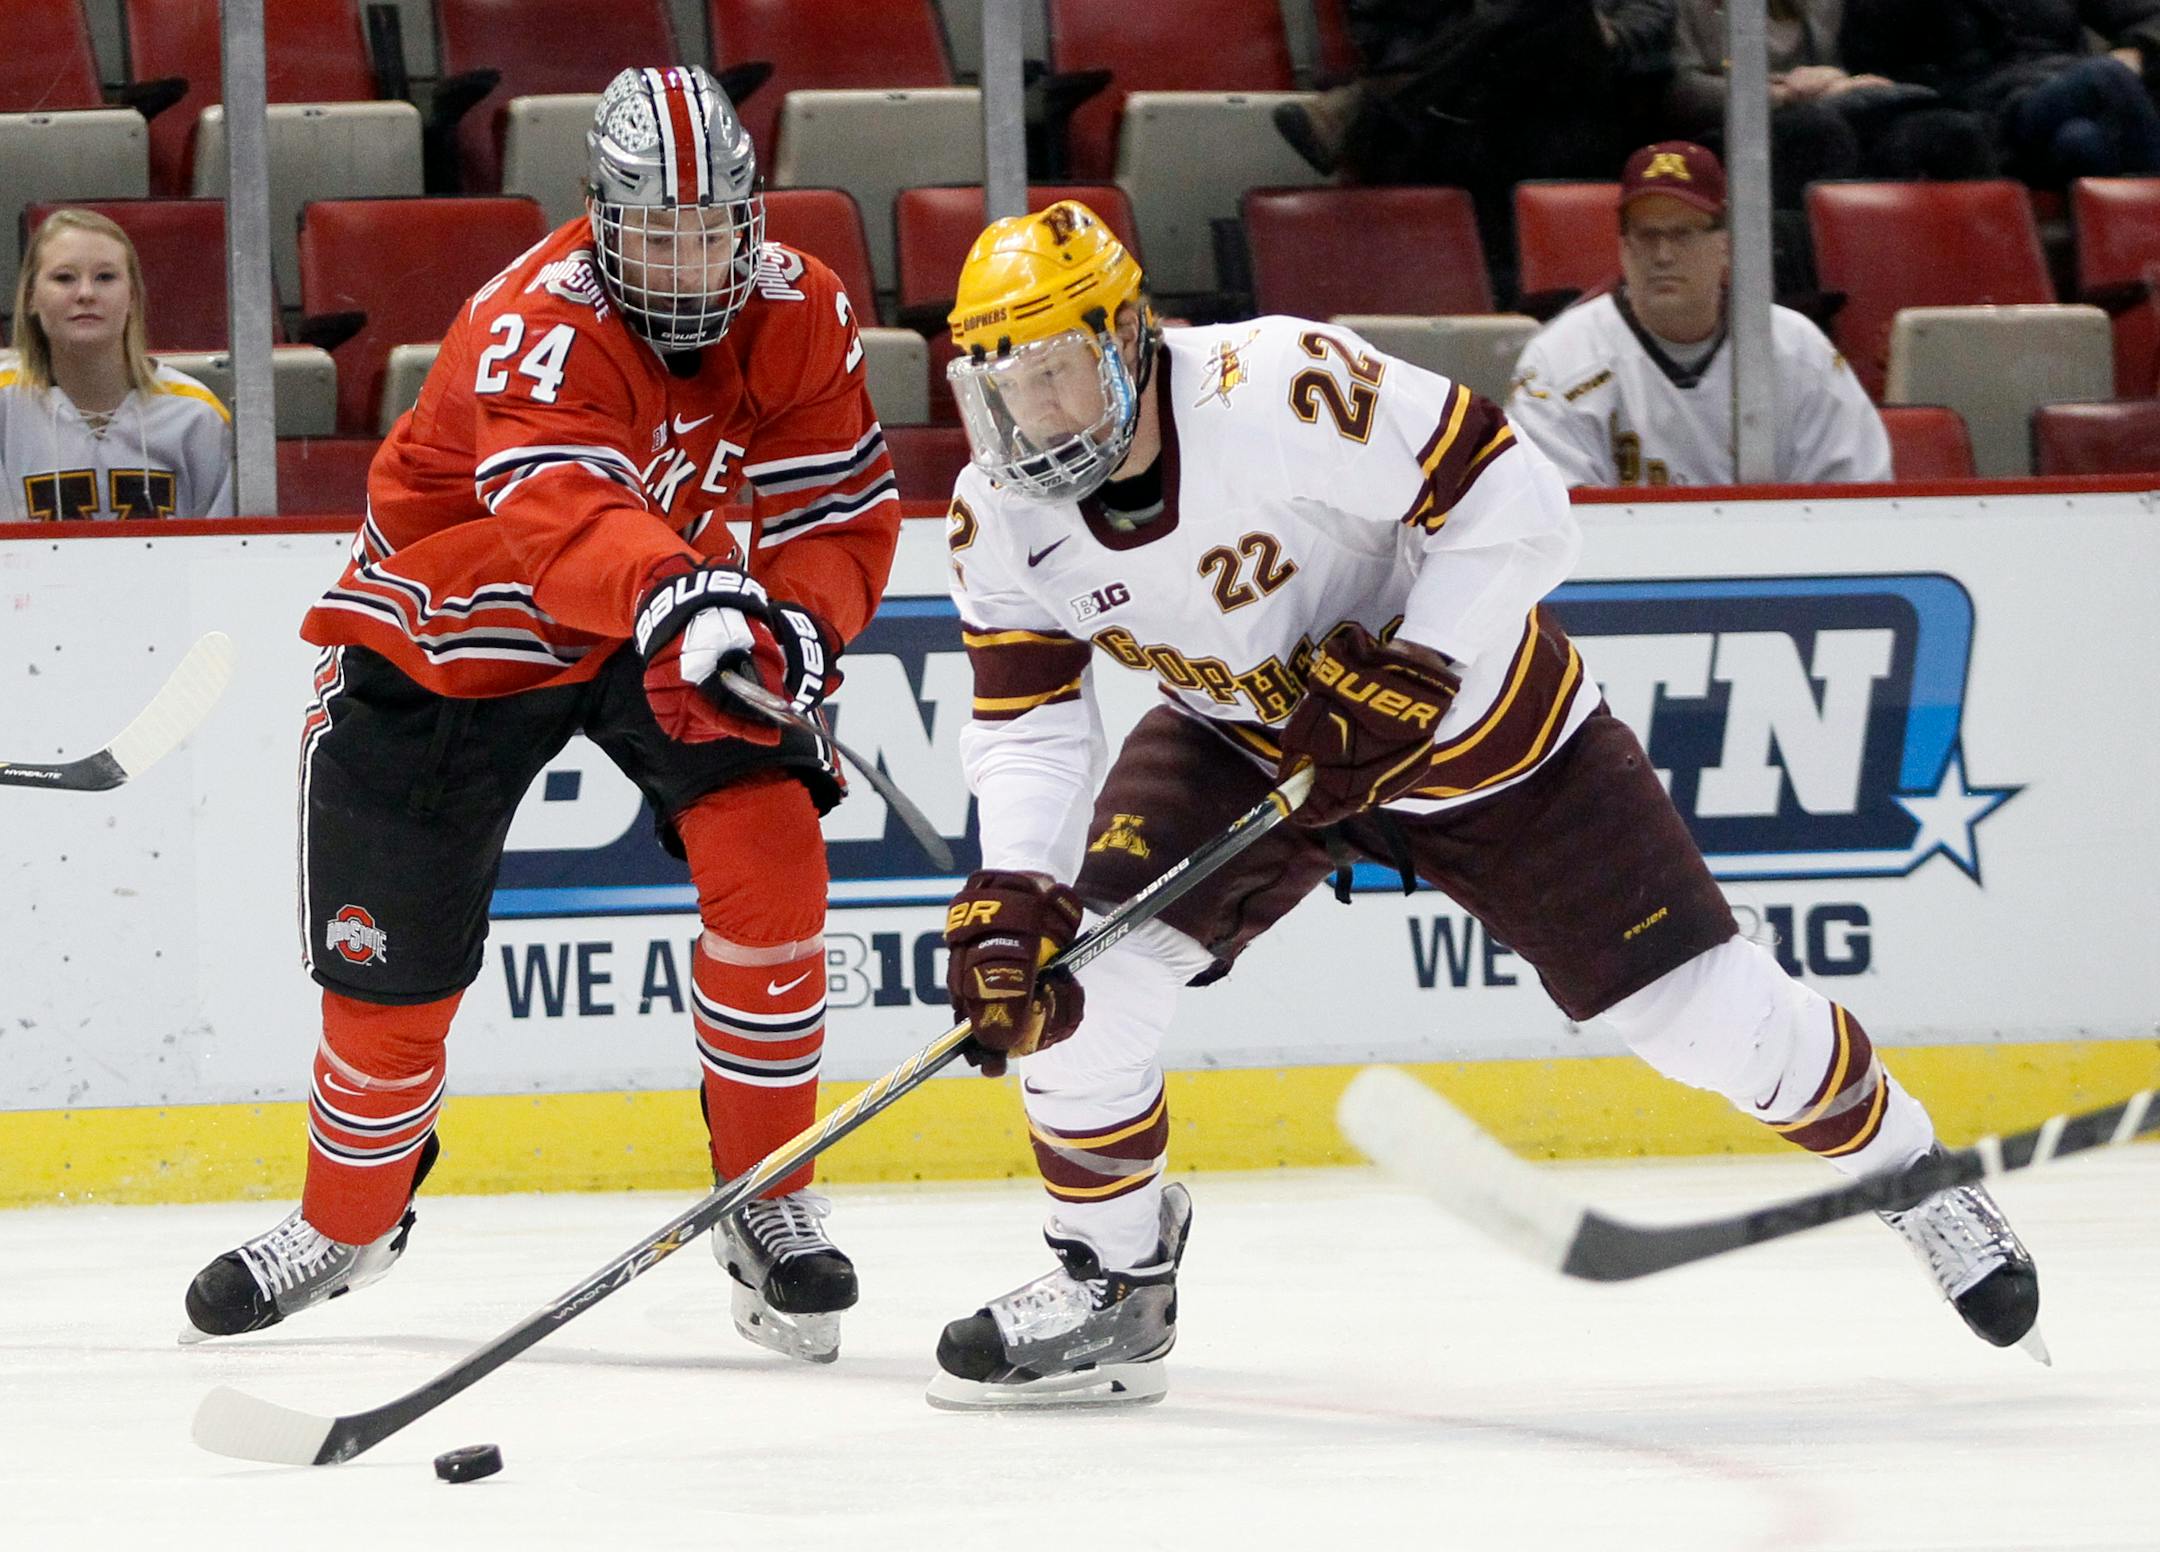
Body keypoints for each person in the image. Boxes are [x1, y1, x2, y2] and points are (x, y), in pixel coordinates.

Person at [923, 199, 2037, 1410]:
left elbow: (1514, 496)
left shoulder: (1281, 386)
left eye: (1058, 375)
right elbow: (1027, 717)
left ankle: (1913, 1169)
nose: (1034, 418)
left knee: (1705, 1021)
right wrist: (1016, 884)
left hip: (1483, 736)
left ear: (1128, 337)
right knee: (1077, 987)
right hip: (1251, 742)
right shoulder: (1000, 516)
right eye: (1007, 389)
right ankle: (1113, 1281)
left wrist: (1422, 665)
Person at [181, 66, 900, 1364]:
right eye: (660, 231)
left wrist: (801, 620)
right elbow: (562, 508)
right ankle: (348, 1221)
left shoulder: (803, 306)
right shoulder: (536, 321)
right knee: (386, 980)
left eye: (716, 228)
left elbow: (836, 506)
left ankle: (770, 1196)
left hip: (668, 617)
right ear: (599, 215)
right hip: (460, 629)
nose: (691, 262)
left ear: (754, 215)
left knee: (774, 863)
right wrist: (690, 596)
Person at [1507, 141, 1891, 487]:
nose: (1663, 256)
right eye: (1646, 235)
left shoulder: (1798, 349)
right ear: (1623, 247)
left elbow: (1856, 497)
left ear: (1725, 243)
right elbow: (1550, 518)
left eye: (1683, 233)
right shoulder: (1559, 357)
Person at [1, 208, 232, 521]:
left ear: (133, 296)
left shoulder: (196, 414)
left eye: (105, 277)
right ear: (31, 297)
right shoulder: (5, 406)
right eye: (64, 278)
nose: (85, 293)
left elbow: (226, 554)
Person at [1843, 0, 2160, 183]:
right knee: (2107, 77)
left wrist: (2137, 49)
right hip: (1988, 111)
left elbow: (2149, 16)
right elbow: (1871, 59)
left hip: (2065, 97)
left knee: (2082, 141)